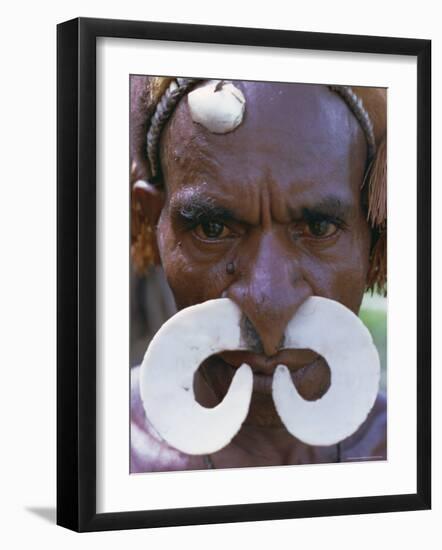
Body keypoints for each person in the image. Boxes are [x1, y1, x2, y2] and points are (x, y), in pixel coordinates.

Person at [129, 76, 387, 472]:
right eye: (212, 230)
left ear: (375, 234)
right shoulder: (89, 451)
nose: (268, 306)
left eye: (318, 229)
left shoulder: (418, 452)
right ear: (151, 224)